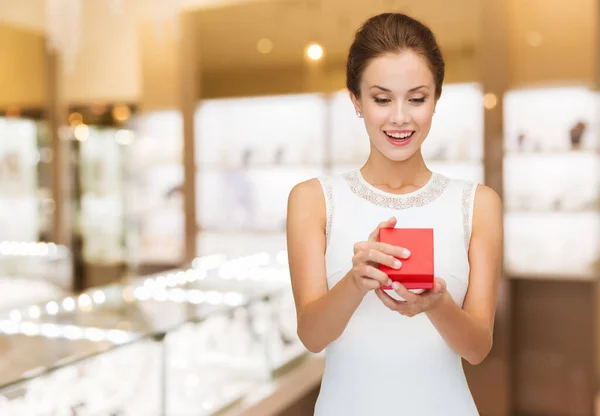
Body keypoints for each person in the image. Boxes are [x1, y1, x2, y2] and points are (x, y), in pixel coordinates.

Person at [286, 12, 503, 415]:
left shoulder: (477, 203)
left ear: (436, 99)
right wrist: (355, 282)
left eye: (417, 98)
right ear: (356, 100)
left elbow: (477, 348)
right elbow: (312, 337)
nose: (400, 117)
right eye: (382, 99)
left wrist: (436, 304)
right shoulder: (313, 200)